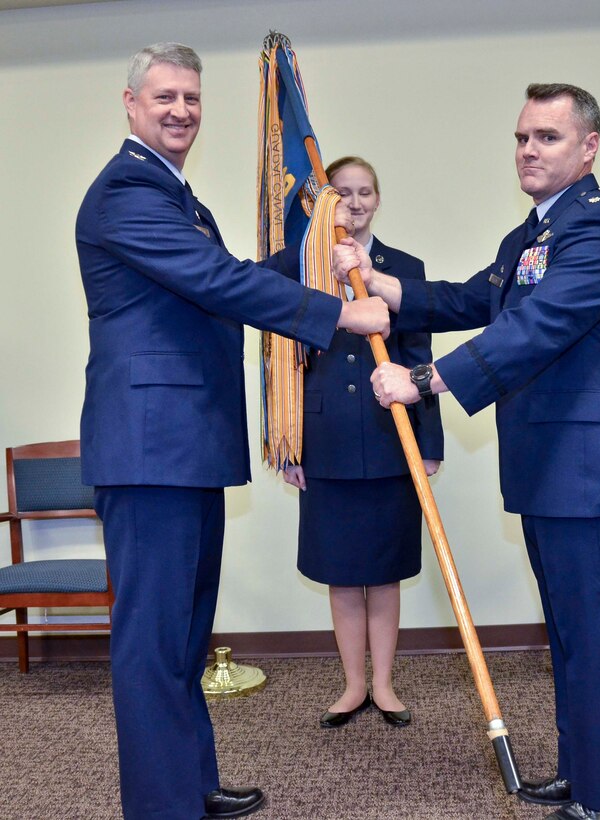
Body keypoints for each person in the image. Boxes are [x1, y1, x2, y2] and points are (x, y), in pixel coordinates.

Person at [76, 43, 388, 820]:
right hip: (150, 450)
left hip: (182, 445)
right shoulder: (126, 191)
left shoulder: (178, 197)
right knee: (153, 642)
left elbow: (229, 278)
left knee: (182, 635)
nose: (180, 110)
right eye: (164, 97)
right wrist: (338, 313)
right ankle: (162, 805)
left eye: (191, 97)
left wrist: (319, 241)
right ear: (130, 103)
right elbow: (215, 280)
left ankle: (189, 784)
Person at [334, 84, 600, 820]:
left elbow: (532, 329)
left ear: (588, 147)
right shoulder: (532, 235)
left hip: (588, 469)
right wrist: (384, 283)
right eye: (521, 138)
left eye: (546, 137)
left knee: (595, 636)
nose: (528, 151)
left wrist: (423, 380)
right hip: (549, 471)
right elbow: (475, 298)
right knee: (572, 637)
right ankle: (585, 773)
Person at [281, 156, 444, 728]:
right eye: (342, 192)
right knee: (342, 570)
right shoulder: (297, 267)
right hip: (324, 441)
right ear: (325, 201)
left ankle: (384, 684)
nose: (353, 202)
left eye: (364, 192)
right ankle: (352, 685)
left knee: (385, 567)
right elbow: (280, 368)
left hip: (390, 435)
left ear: (378, 199)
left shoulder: (405, 269)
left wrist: (429, 445)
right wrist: (288, 444)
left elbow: (420, 360)